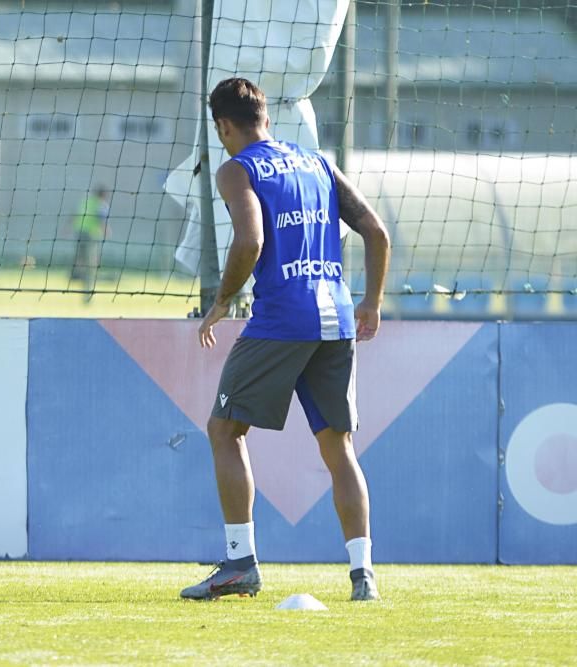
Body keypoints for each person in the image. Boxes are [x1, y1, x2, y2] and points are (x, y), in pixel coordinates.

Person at [179, 78, 390, 602]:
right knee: (338, 447)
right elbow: (377, 232)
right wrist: (372, 303)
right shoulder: (317, 162)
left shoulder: (237, 169)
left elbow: (249, 240)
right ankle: (363, 575)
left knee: (224, 430)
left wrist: (224, 299)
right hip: (337, 316)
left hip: (282, 317)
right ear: (267, 118)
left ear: (224, 126)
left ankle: (239, 564)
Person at [70, 185, 110, 296]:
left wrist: (68, 228)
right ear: (104, 195)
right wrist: (106, 231)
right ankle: (87, 290)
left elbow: (74, 215)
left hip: (79, 233)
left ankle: (77, 278)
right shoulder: (101, 204)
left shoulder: (85, 201)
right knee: (90, 265)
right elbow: (101, 218)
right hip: (90, 236)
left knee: (81, 262)